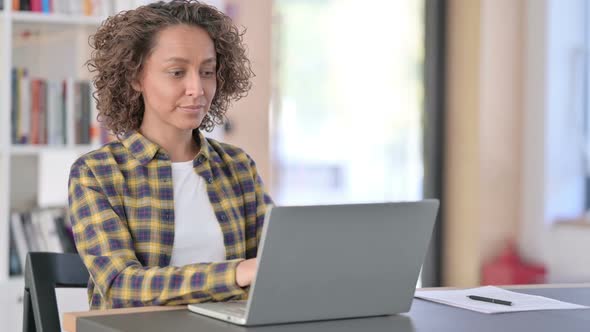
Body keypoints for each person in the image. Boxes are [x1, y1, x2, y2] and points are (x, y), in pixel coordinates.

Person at [68, 0, 273, 309]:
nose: (197, 88)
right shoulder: (97, 173)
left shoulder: (238, 167)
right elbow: (121, 286)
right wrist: (237, 273)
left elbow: (278, 262)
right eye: (177, 72)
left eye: (207, 71)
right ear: (136, 77)